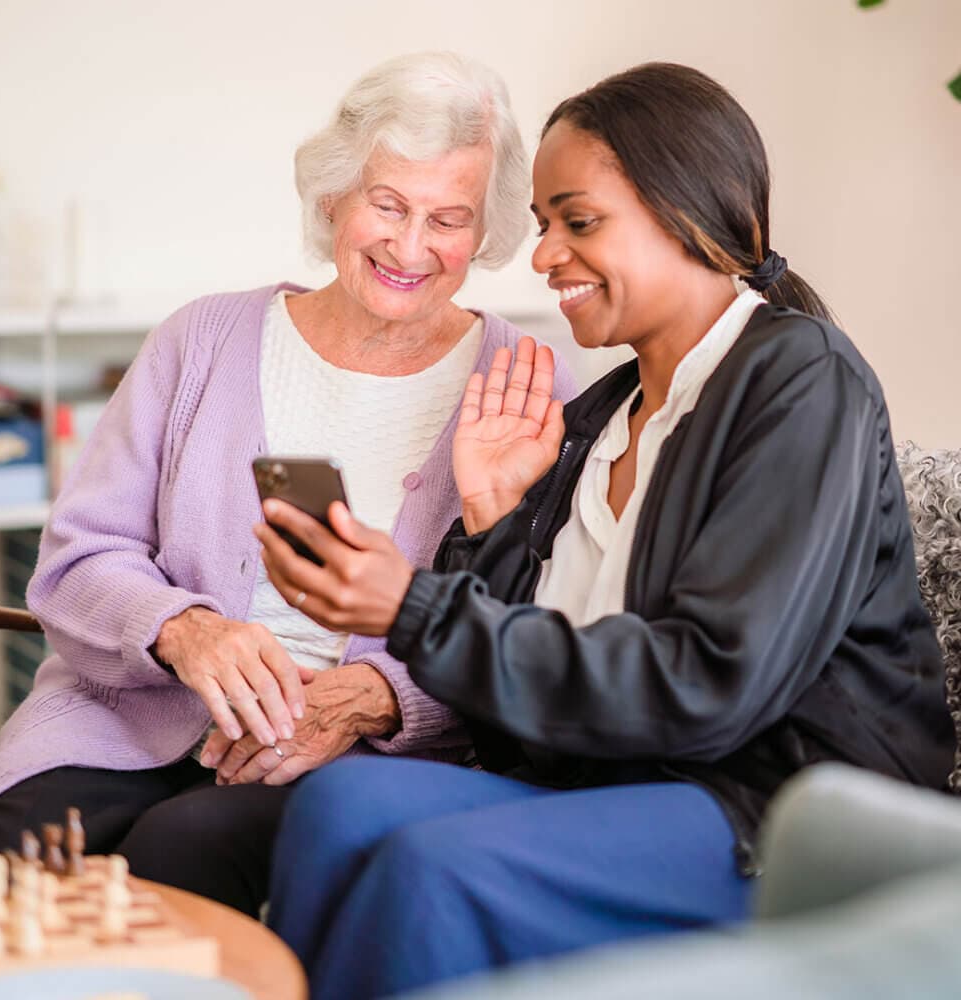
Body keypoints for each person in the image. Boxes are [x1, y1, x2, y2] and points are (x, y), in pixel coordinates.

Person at [257, 63, 955, 999]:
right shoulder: (599, 414)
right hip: (608, 782)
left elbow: (713, 685)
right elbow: (504, 713)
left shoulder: (801, 381)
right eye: (543, 225)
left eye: (577, 222)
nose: (543, 256)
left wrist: (413, 604)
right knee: (340, 805)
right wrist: (491, 515)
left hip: (774, 812)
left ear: (690, 212)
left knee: (439, 871)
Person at [0, 51, 576, 917]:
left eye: (449, 218)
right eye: (388, 204)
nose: (410, 246)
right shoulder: (203, 339)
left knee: (182, 859)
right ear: (334, 197)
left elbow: (544, 628)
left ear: (487, 233)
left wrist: (382, 698)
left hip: (341, 755)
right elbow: (78, 557)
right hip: (133, 716)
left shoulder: (533, 383)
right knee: (6, 851)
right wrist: (186, 628)